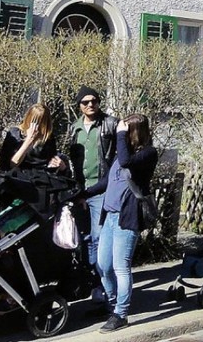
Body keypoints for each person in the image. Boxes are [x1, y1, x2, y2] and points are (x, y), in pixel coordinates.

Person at [85, 114, 158, 333]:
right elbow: (107, 182)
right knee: (103, 265)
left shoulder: (148, 153)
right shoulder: (122, 154)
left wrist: (120, 134)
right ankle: (113, 301)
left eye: (126, 130)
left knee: (120, 266)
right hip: (110, 217)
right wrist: (82, 194)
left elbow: (126, 162)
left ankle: (121, 313)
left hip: (128, 218)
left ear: (134, 131)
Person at [67, 87, 119, 276]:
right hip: (80, 190)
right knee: (84, 237)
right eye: (85, 102)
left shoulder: (110, 124)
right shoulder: (74, 128)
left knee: (99, 236)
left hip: (101, 189)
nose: (90, 105)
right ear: (79, 105)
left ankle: (100, 280)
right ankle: (91, 276)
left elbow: (119, 155)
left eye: (94, 101)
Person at [0, 103, 64, 172]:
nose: (38, 127)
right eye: (35, 122)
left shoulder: (48, 138)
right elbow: (12, 164)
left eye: (42, 124)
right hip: (19, 176)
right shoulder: (15, 134)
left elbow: (50, 161)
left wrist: (59, 165)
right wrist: (28, 141)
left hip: (41, 176)